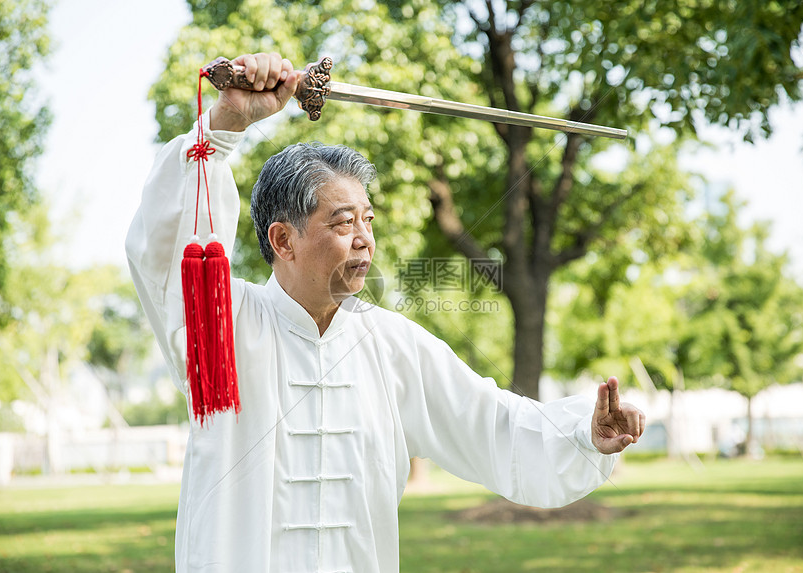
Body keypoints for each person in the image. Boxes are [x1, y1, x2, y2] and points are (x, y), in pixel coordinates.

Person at [126, 51, 645, 573]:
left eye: (368, 221)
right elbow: (164, 251)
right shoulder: (222, 327)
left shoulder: (393, 346)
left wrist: (584, 434)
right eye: (343, 223)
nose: (365, 241)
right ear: (283, 240)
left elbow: (494, 425)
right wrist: (224, 126)